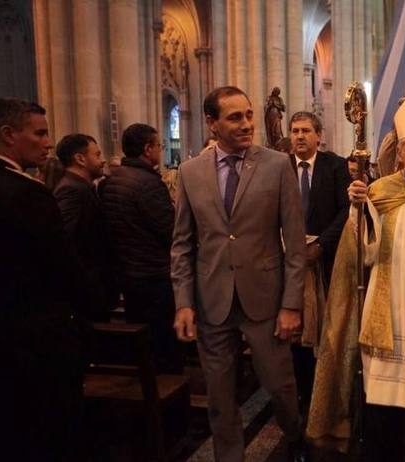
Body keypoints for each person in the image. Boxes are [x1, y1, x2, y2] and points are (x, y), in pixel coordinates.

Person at [307, 87, 405, 460]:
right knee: (385, 423)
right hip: (389, 325)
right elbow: (361, 255)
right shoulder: (378, 193)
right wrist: (358, 211)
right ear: (400, 153)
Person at [171, 86, 307, 462]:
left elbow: (295, 245)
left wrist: (291, 305)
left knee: (280, 388)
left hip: (264, 300)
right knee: (220, 397)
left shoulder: (277, 165)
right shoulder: (190, 172)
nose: (248, 124)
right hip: (212, 300)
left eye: (248, 115)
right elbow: (182, 244)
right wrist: (183, 303)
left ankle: (296, 438)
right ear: (212, 123)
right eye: (235, 117)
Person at [0, 97, 89, 461]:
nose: (49, 143)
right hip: (36, 341)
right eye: (39, 133)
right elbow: (63, 268)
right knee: (48, 433)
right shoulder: (27, 194)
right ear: (8, 135)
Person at [101, 123, 183, 373]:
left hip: (129, 274)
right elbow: (170, 231)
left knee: (142, 339)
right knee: (164, 345)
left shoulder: (113, 179)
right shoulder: (147, 183)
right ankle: (167, 395)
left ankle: (147, 388)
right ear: (148, 149)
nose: (160, 150)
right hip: (154, 276)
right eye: (159, 146)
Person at [288, 110, 351, 414]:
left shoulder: (335, 166)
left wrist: (322, 245)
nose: (299, 136)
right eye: (295, 131)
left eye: (305, 131)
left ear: (318, 136)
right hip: (289, 261)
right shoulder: (280, 167)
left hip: (325, 260)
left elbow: (345, 211)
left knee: (326, 325)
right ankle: (302, 391)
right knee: (295, 328)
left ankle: (327, 390)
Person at [55, 133, 116, 320]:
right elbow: (66, 239)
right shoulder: (71, 189)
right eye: (97, 155)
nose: (103, 160)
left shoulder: (82, 186)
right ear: (80, 159)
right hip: (88, 285)